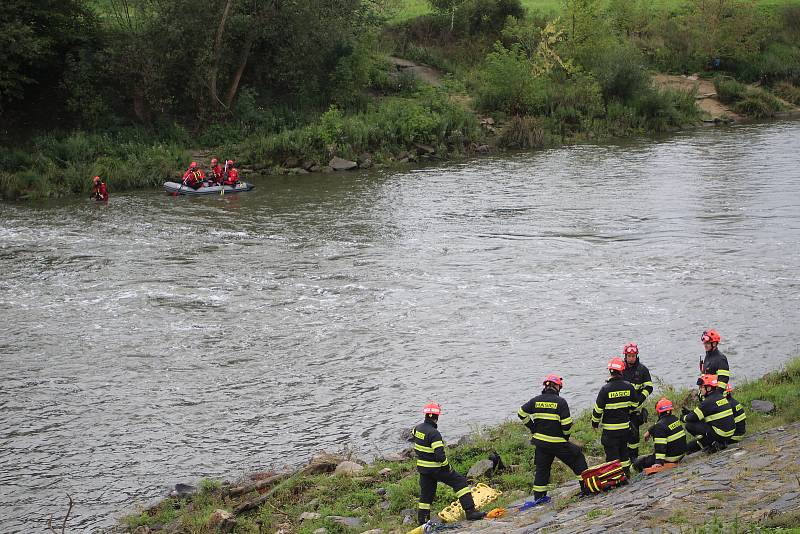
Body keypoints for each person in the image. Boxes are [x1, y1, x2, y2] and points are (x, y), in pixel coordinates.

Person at [518, 374, 589, 502]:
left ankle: (539, 498)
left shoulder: (535, 400)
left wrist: (533, 428)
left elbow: (521, 413)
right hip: (558, 443)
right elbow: (566, 424)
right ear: (557, 387)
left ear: (546, 386)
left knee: (542, 469)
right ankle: (586, 488)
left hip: (540, 443)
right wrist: (565, 437)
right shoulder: (561, 402)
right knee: (578, 458)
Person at [413, 402, 486, 525]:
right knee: (460, 482)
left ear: (426, 414)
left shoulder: (417, 429)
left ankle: (423, 522)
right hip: (436, 469)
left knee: (426, 496)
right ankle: (470, 512)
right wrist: (448, 467)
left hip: (423, 469)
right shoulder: (434, 434)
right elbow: (440, 456)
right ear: (437, 416)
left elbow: (416, 440)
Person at [592, 357, 637, 474]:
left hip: (610, 430)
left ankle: (615, 477)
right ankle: (626, 473)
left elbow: (598, 410)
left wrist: (594, 424)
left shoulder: (605, 389)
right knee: (624, 453)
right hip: (624, 428)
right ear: (622, 371)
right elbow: (634, 405)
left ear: (610, 372)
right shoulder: (629, 386)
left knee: (612, 457)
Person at [682, 374, 736, 453]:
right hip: (729, 433)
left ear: (709, 388)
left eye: (702, 387)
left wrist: (683, 418)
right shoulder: (720, 397)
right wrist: (690, 413)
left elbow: (692, 418)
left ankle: (712, 445)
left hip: (721, 434)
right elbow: (702, 414)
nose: (700, 389)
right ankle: (714, 443)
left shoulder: (708, 401)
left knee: (689, 425)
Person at [633, 397, 687, 472]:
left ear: (659, 412)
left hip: (670, 458)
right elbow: (660, 425)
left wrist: (658, 462)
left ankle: (638, 472)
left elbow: (660, 446)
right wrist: (649, 431)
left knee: (638, 463)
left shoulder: (659, 427)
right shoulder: (675, 419)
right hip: (680, 454)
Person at [621, 342, 654, 460]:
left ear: (636, 356)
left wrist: (640, 399)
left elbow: (649, 387)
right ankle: (624, 459)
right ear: (625, 356)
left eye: (633, 356)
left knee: (634, 436)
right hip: (622, 409)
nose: (631, 358)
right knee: (622, 436)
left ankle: (634, 458)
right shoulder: (620, 369)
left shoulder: (642, 370)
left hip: (635, 409)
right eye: (629, 356)